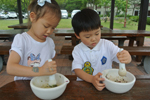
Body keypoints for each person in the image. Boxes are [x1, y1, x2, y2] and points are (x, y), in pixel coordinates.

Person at [71, 8, 131, 91]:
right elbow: (77, 70)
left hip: (106, 85)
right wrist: (92, 79)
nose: (93, 39)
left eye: (97, 33)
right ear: (77, 35)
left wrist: (127, 57)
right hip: (84, 86)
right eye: (88, 36)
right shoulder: (77, 50)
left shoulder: (107, 45)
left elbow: (120, 55)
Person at [6, 0, 61, 81]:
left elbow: (50, 58)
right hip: (24, 87)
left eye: (53, 28)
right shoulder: (22, 40)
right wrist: (40, 70)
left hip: (43, 86)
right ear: (33, 17)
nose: (49, 31)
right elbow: (11, 68)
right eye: (46, 26)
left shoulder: (50, 42)